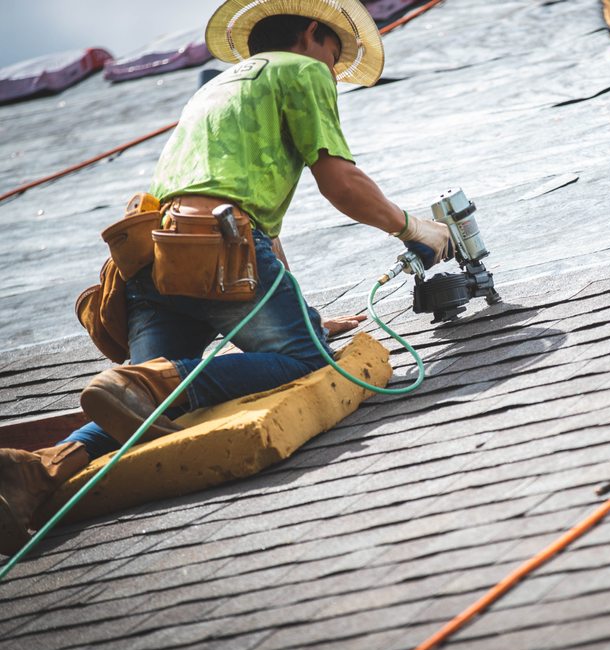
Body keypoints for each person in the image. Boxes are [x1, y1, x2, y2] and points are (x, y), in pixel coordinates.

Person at [0, 0, 454, 556]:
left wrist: (304, 318)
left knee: (146, 407)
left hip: (150, 255)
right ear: (313, 33)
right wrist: (414, 228)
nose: (333, 71)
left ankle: (36, 469)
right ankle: (150, 382)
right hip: (216, 247)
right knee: (305, 361)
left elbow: (258, 237)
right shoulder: (302, 70)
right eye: (334, 55)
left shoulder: (214, 88)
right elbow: (341, 182)